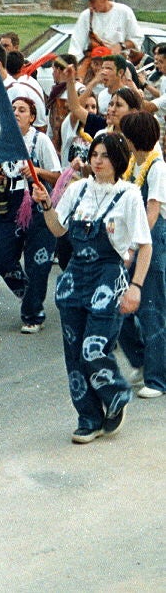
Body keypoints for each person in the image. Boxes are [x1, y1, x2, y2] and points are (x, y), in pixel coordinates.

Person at [32, 132, 150, 443]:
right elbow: (59, 229)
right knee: (74, 356)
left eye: (104, 156)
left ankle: (116, 395)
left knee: (92, 348)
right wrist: (46, 206)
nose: (97, 161)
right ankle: (88, 417)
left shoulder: (129, 195)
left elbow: (144, 245)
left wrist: (135, 286)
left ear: (118, 161)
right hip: (74, 278)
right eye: (94, 154)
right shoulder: (77, 189)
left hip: (109, 278)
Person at [0, 95, 61, 334]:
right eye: (12, 109)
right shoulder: (3, 141)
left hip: (36, 204)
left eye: (22, 110)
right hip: (8, 205)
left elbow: (58, 176)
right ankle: (28, 295)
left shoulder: (40, 141)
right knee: (1, 258)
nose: (16, 113)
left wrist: (37, 172)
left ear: (32, 117)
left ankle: (33, 313)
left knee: (37, 262)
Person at [117, 113, 166, 399]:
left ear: (133, 140)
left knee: (151, 309)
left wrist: (134, 244)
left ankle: (158, 378)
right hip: (133, 240)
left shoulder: (157, 168)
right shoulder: (133, 165)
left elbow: (152, 212)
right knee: (120, 305)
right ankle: (140, 359)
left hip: (152, 241)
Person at [69, 0, 142, 63]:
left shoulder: (124, 12)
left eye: (93, 1)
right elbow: (76, 46)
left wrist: (121, 46)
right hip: (94, 62)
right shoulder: (86, 16)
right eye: (89, 1)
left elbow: (137, 38)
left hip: (119, 62)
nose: (90, 5)